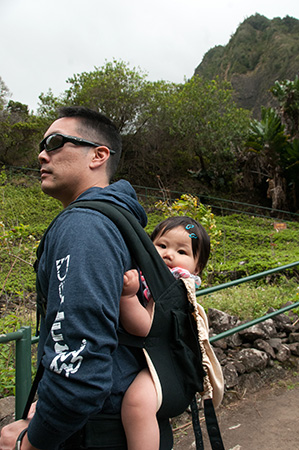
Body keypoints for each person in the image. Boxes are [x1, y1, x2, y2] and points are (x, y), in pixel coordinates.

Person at [0, 106, 173, 450]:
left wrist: (32, 443)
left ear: (98, 155)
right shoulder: (121, 220)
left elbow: (80, 366)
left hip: (94, 433)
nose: (41, 154)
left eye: (55, 142)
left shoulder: (85, 226)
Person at [119, 216, 210, 450]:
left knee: (137, 403)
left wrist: (127, 297)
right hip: (161, 356)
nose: (169, 255)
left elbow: (143, 326)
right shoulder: (154, 277)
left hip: (169, 363)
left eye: (182, 251)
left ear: (197, 266)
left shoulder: (175, 284)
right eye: (162, 246)